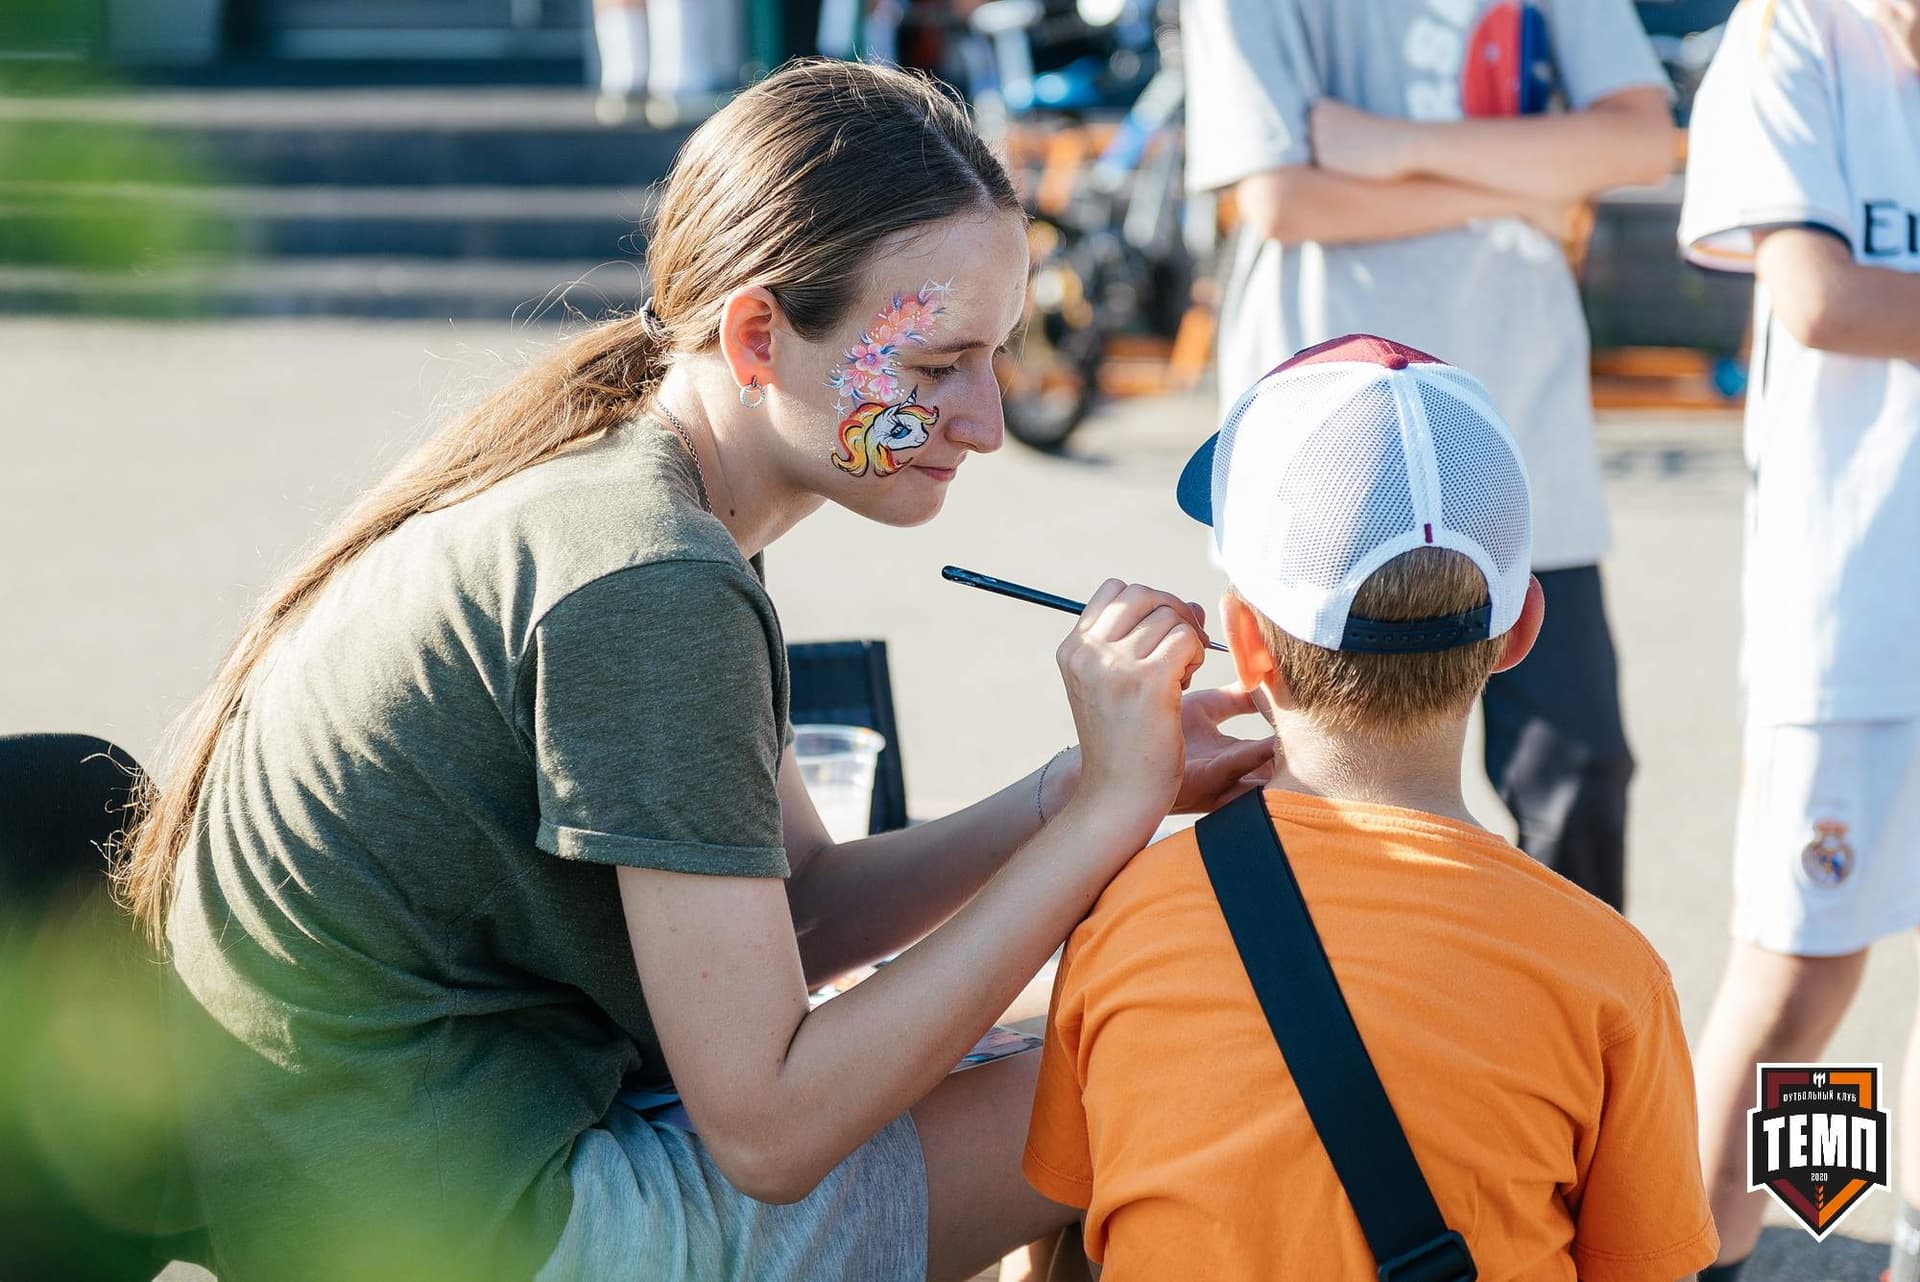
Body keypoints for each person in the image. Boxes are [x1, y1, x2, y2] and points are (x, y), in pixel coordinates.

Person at [114, 59, 1273, 1282]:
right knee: (1155, 1064)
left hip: (397, 1176)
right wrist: (1102, 819)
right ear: (759, 334)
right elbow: (771, 1127)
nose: (987, 420)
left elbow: (803, 906)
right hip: (451, 1228)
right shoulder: (651, 579)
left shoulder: (649, 498)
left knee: (1098, 1038)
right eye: (936, 369)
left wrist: (1063, 789)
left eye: (999, 356)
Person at [1021, 334, 1720, 1281]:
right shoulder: (1611, 977)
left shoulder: (1122, 921)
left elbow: (1071, 1218)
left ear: (1243, 642)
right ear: (1520, 633)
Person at [1179, 0, 1676, 911]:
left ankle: (1567, 1026)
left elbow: (1643, 140)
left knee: (1579, 774)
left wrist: (1388, 144)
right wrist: (1528, 183)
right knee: (1324, 783)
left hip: (1520, 428)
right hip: (1333, 449)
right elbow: (1287, 199)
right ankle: (1340, 1037)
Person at [1677, 2, 1920, 1278]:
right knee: (1804, 987)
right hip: (1861, 607)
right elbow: (1822, 297)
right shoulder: (1799, 33)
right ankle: (1714, 1252)